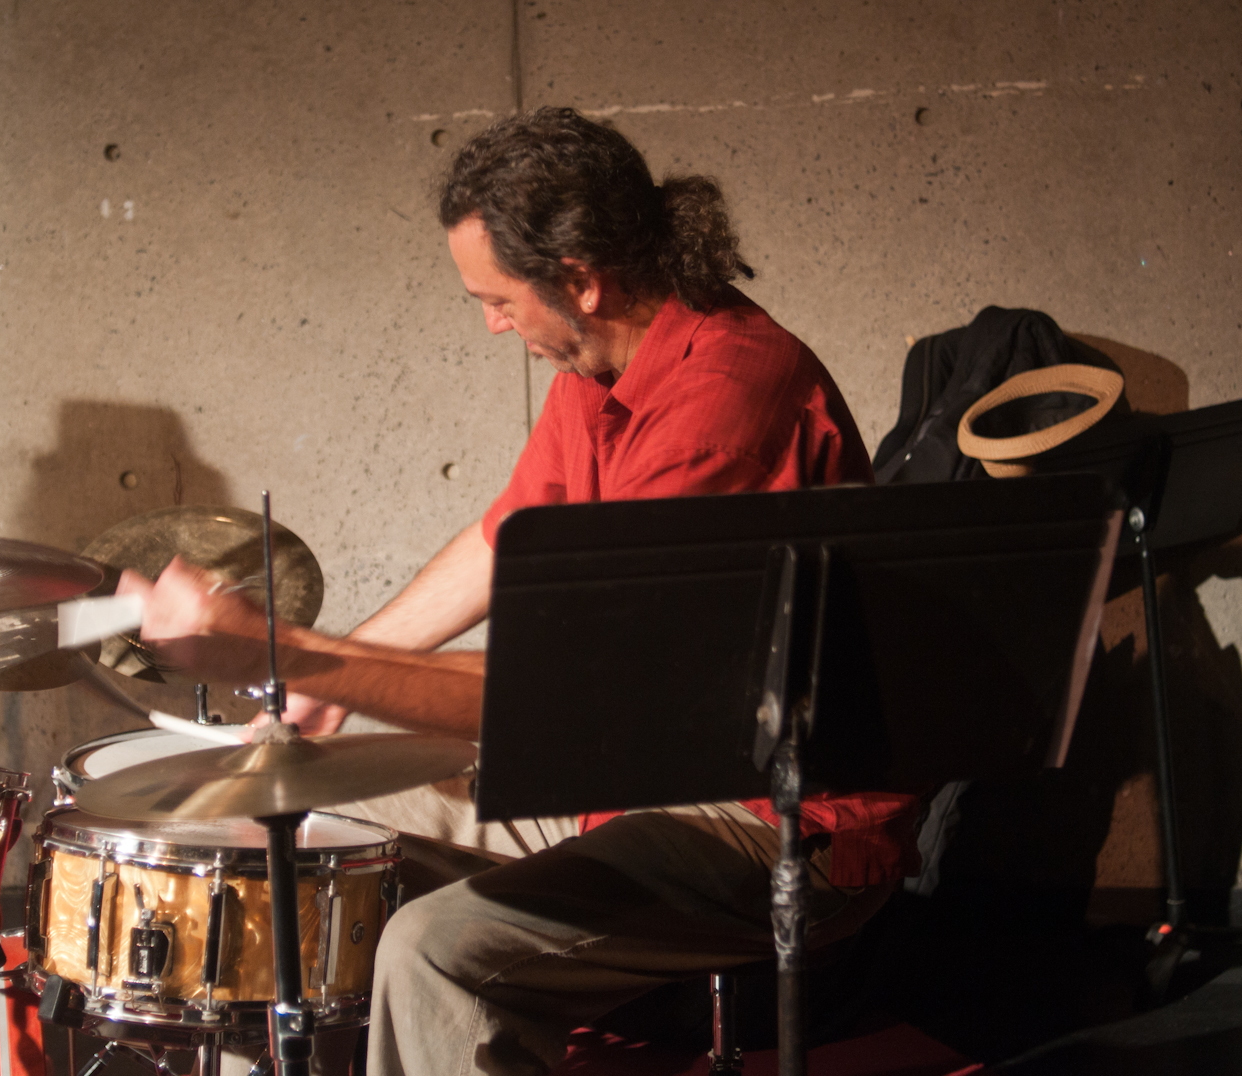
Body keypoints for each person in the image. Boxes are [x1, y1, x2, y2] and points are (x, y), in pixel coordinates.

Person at [123, 108, 924, 1076]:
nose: (494, 323)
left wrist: (286, 650)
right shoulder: (603, 365)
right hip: (638, 777)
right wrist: (327, 684)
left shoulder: (720, 407)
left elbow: (565, 695)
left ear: (581, 278)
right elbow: (505, 540)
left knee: (437, 955)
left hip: (775, 819)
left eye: (498, 299)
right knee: (284, 839)